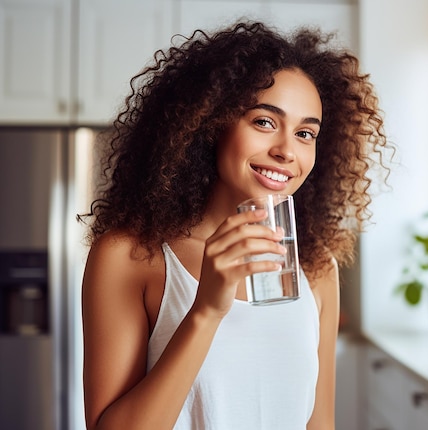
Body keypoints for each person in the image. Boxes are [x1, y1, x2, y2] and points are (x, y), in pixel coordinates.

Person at [80, 20, 389, 430]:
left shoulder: (316, 267)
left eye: (305, 133)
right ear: (211, 123)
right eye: (264, 122)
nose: (285, 151)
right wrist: (206, 311)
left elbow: (319, 423)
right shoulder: (132, 256)